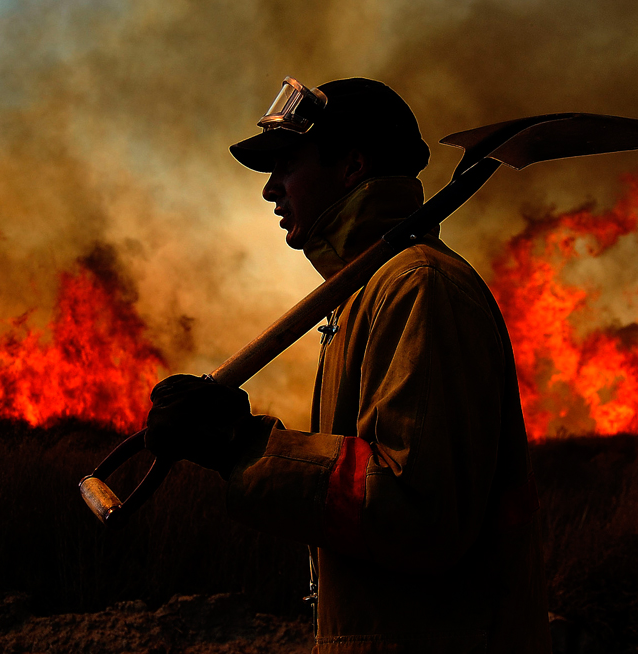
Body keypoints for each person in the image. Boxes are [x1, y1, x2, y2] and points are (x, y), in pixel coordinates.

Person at [145, 76, 551, 653]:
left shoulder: (419, 287)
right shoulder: (364, 294)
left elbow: (418, 511)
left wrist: (244, 447)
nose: (270, 190)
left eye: (286, 164)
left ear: (352, 166)